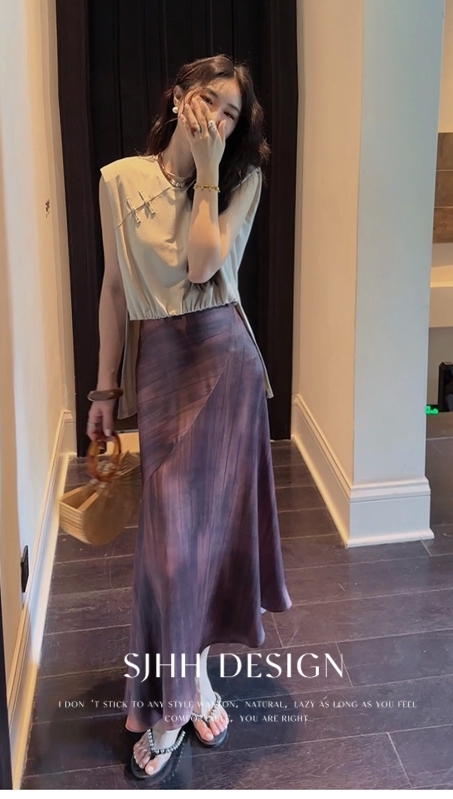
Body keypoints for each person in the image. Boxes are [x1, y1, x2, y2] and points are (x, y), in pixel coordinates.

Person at [86, 55, 293, 785]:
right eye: (208, 100)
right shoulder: (119, 180)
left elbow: (204, 266)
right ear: (178, 97)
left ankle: (178, 700)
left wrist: (208, 171)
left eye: (232, 113)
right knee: (169, 549)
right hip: (163, 366)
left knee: (204, 541)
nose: (217, 119)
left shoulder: (243, 179)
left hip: (225, 361)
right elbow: (115, 290)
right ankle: (187, 686)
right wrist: (103, 391)